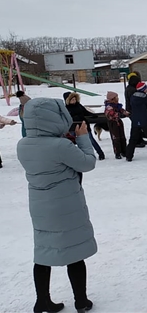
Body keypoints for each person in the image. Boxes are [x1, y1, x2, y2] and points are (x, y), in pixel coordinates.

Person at [16, 98, 97, 313]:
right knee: (74, 252)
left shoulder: (23, 144)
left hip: (40, 206)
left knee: (43, 253)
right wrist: (83, 137)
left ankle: (42, 300)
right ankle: (81, 301)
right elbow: (88, 163)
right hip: (66, 206)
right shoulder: (60, 146)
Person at [65, 92, 105, 160]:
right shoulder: (66, 109)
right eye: (72, 99)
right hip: (73, 127)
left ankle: (101, 153)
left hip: (84, 126)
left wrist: (92, 115)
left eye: (75, 99)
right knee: (72, 142)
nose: (74, 101)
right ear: (68, 100)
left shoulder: (79, 105)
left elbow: (86, 112)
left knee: (91, 140)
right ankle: (73, 156)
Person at [104, 91, 129, 159]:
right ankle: (117, 152)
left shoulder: (117, 105)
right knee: (116, 138)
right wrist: (120, 115)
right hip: (113, 123)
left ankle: (124, 151)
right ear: (112, 99)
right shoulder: (109, 107)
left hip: (119, 122)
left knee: (122, 137)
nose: (118, 99)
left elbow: (122, 110)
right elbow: (112, 114)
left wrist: (126, 113)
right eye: (116, 97)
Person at [124, 72, 146, 148]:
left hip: (132, 109)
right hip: (132, 110)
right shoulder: (132, 90)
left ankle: (140, 139)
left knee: (138, 125)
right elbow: (134, 100)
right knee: (136, 126)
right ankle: (137, 141)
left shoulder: (130, 88)